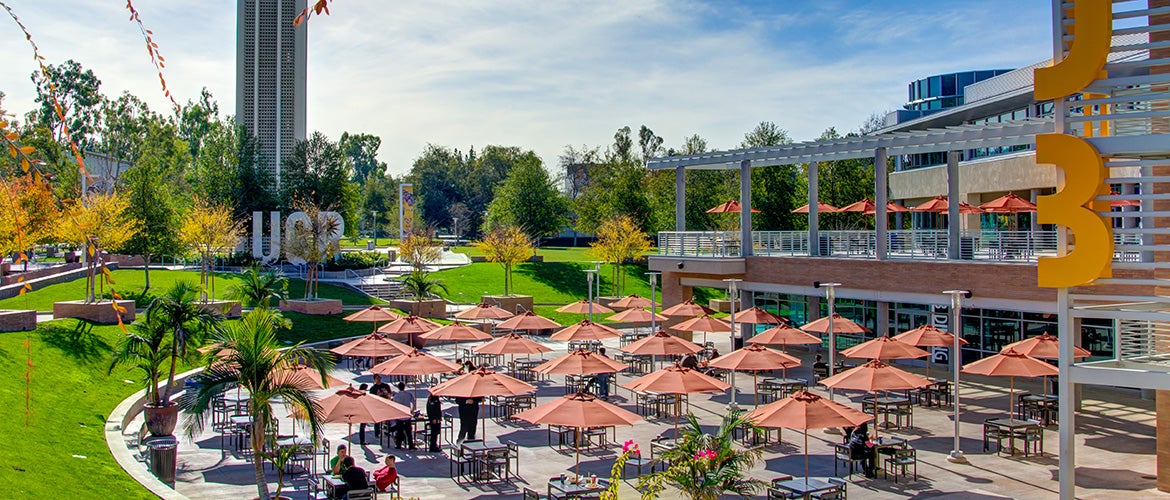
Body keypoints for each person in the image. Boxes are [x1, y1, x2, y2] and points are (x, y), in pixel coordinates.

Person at [392, 382, 417, 449]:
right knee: (408, 432)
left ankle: (398, 445)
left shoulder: (396, 396)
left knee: (399, 431)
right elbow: (413, 402)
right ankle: (411, 445)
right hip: (407, 415)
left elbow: (394, 405)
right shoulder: (409, 394)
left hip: (400, 415)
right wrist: (412, 410)